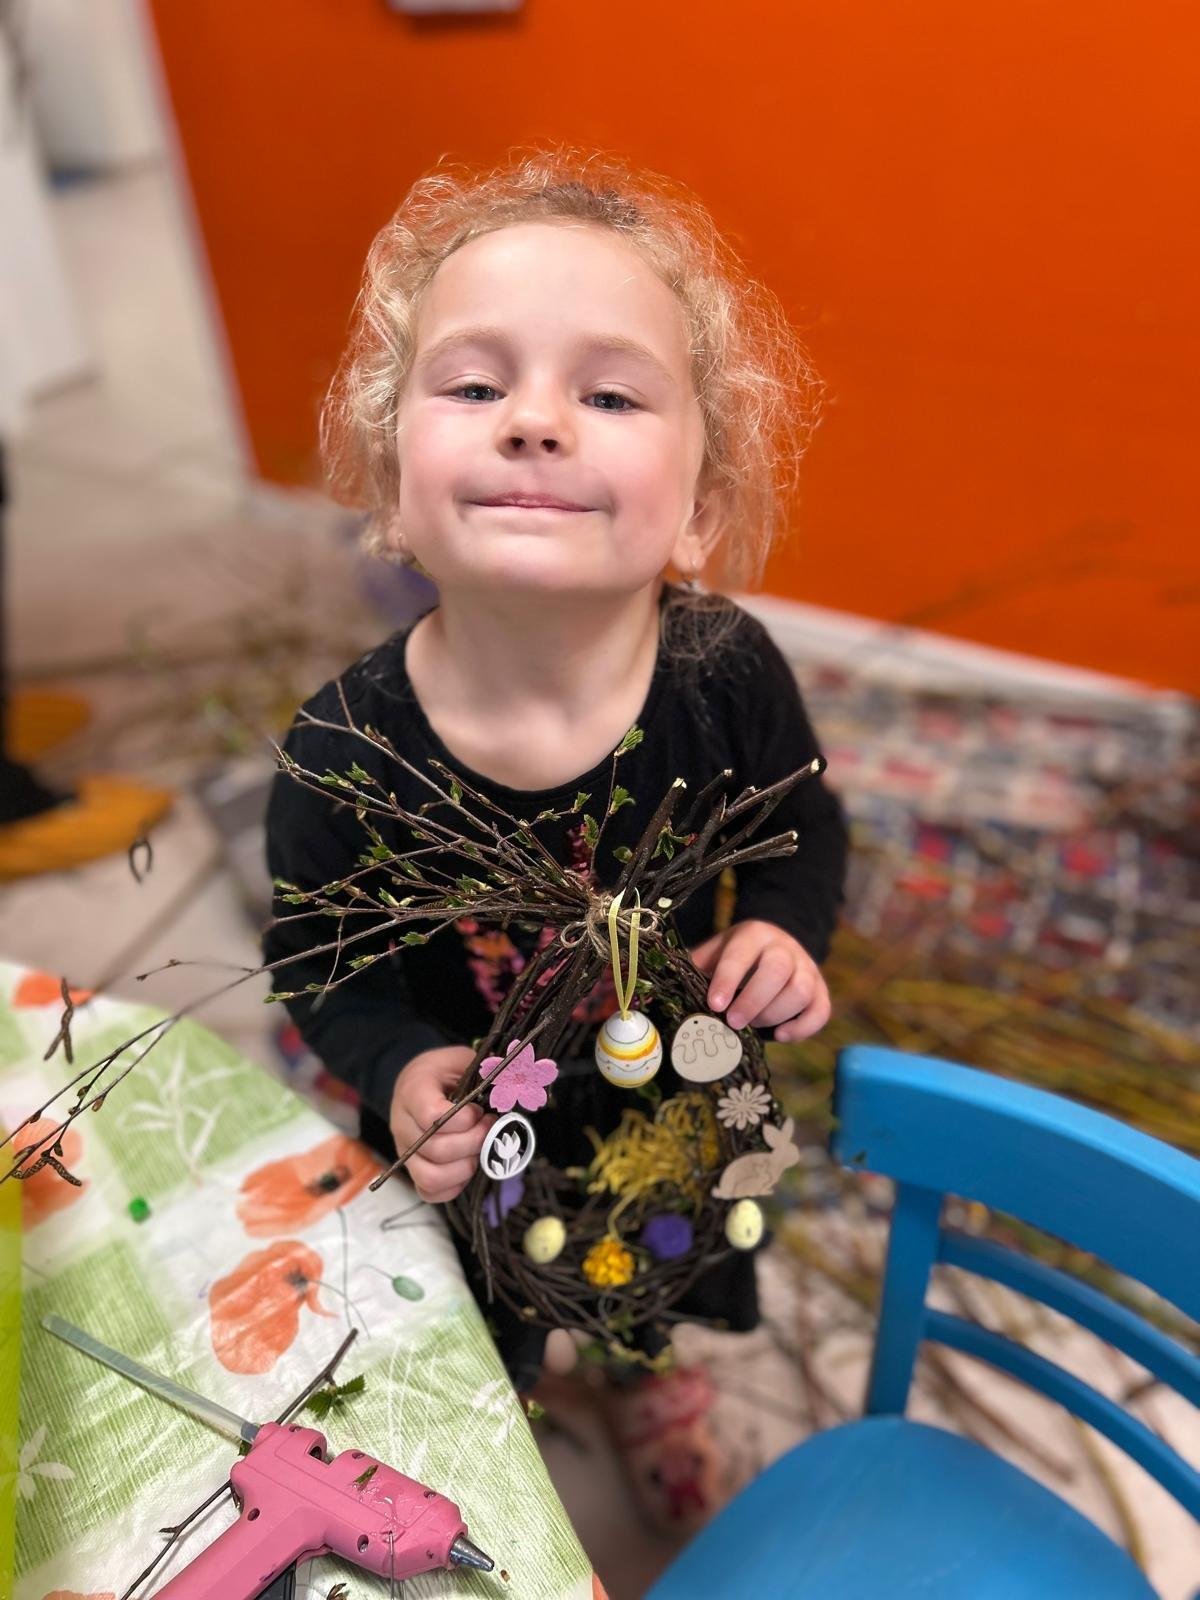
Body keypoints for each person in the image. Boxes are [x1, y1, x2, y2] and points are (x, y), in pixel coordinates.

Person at [263, 147, 848, 1534]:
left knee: (653, 1264)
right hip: (473, 1130)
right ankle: (502, 1403)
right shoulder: (343, 751)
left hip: (664, 1103)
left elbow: (799, 829)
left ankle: (645, 1370)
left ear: (700, 509)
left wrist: (782, 927)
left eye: (610, 394)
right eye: (475, 386)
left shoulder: (725, 677)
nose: (533, 420)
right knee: (485, 1314)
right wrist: (394, 1066)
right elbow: (318, 960)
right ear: (392, 490)